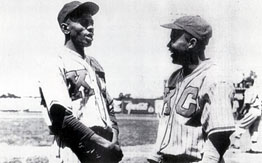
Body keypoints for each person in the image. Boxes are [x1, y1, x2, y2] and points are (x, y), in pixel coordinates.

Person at [39, 1, 123, 163]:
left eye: (92, 23)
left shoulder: (95, 64)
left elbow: (109, 108)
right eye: (84, 23)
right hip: (73, 148)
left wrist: (114, 141)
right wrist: (102, 143)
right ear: (65, 28)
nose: (90, 27)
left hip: (102, 148)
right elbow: (61, 117)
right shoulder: (55, 61)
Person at [147, 15, 236, 163]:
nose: (169, 45)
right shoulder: (174, 77)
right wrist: (155, 156)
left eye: (174, 39)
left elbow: (220, 135)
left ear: (191, 43)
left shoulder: (215, 78)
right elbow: (166, 124)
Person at [231, 75, 262, 153]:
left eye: (246, 82)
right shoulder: (257, 90)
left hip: (253, 109)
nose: (245, 83)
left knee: (241, 125)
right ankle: (254, 148)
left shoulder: (249, 90)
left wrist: (241, 111)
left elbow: (246, 104)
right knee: (254, 129)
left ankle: (236, 144)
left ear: (250, 82)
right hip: (258, 110)